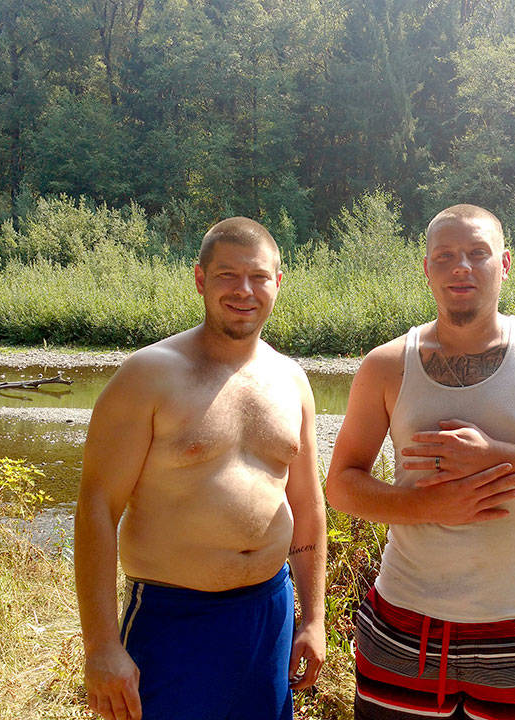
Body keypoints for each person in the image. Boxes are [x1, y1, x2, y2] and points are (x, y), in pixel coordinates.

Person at [325, 204, 515, 720]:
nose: (461, 266)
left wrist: (495, 457)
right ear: (427, 269)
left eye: (477, 253)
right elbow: (341, 484)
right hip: (404, 630)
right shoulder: (386, 365)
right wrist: (429, 505)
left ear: (504, 263)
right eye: (445, 256)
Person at [74, 217, 326, 720]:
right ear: (199, 279)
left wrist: (313, 617)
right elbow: (97, 509)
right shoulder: (149, 375)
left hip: (268, 612)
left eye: (258, 276)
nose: (244, 290)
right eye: (227, 275)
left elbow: (305, 501)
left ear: (279, 282)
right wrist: (101, 645)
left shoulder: (291, 380)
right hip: (174, 618)